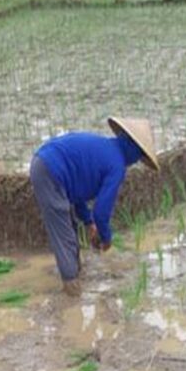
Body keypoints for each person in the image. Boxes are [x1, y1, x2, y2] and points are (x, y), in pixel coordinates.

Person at [29, 117, 160, 295]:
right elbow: (101, 212)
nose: (135, 162)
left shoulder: (105, 148)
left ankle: (75, 274)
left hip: (46, 165)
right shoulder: (116, 165)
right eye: (138, 158)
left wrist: (88, 222)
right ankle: (72, 291)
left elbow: (77, 192)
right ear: (134, 150)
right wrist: (106, 238)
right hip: (49, 170)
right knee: (64, 234)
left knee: (70, 227)